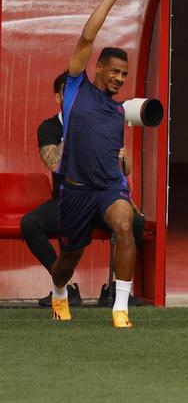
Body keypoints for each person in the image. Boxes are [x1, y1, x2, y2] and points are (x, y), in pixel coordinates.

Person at [48, 0, 139, 328]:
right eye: (114, 72)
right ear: (97, 68)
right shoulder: (76, 88)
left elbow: (121, 162)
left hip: (108, 189)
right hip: (75, 191)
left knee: (124, 225)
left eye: (124, 75)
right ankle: (58, 293)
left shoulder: (119, 112)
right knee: (68, 260)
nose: (119, 78)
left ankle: (121, 307)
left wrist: (123, 166)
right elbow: (87, 36)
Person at [24, 72, 144, 307]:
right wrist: (75, 131)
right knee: (30, 224)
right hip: (67, 199)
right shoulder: (49, 127)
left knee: (135, 222)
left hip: (102, 199)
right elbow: (53, 163)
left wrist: (122, 161)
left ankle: (115, 291)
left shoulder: (105, 120)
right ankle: (64, 286)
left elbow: (125, 169)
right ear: (60, 98)